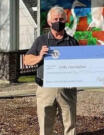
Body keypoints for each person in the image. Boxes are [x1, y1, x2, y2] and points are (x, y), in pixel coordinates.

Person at [24, 6, 79, 135]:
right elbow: (26, 59)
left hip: (67, 88)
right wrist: (39, 56)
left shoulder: (72, 42)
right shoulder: (41, 40)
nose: (58, 22)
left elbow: (80, 65)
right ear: (49, 22)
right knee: (45, 124)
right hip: (46, 88)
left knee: (70, 123)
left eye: (61, 19)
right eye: (55, 19)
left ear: (65, 21)